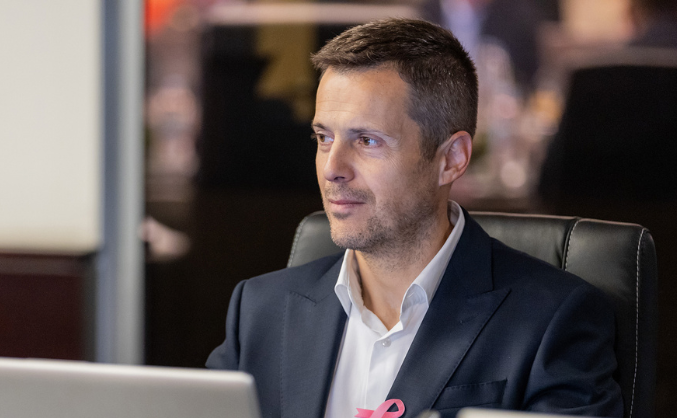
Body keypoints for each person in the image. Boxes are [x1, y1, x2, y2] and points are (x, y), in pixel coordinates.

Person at [207, 18, 622, 418]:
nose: (332, 168)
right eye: (323, 137)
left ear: (451, 159)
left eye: (366, 140)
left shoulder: (552, 320)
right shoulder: (259, 311)